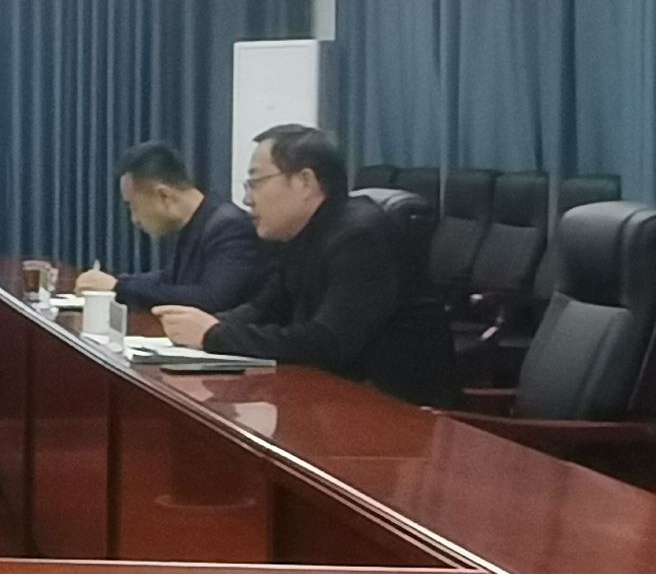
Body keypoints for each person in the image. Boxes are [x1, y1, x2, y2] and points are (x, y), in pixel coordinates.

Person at [158, 125, 459, 407]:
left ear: (305, 181)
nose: (247, 199)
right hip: (336, 400)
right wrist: (202, 326)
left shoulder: (360, 236)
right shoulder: (301, 235)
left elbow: (328, 342)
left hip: (396, 413)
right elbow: (263, 309)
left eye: (256, 183)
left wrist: (214, 335)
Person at [77, 141, 270, 313]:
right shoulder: (197, 220)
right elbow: (170, 278)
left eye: (134, 206)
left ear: (164, 196)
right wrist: (118, 282)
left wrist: (119, 288)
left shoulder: (230, 227)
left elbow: (211, 299)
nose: (134, 219)